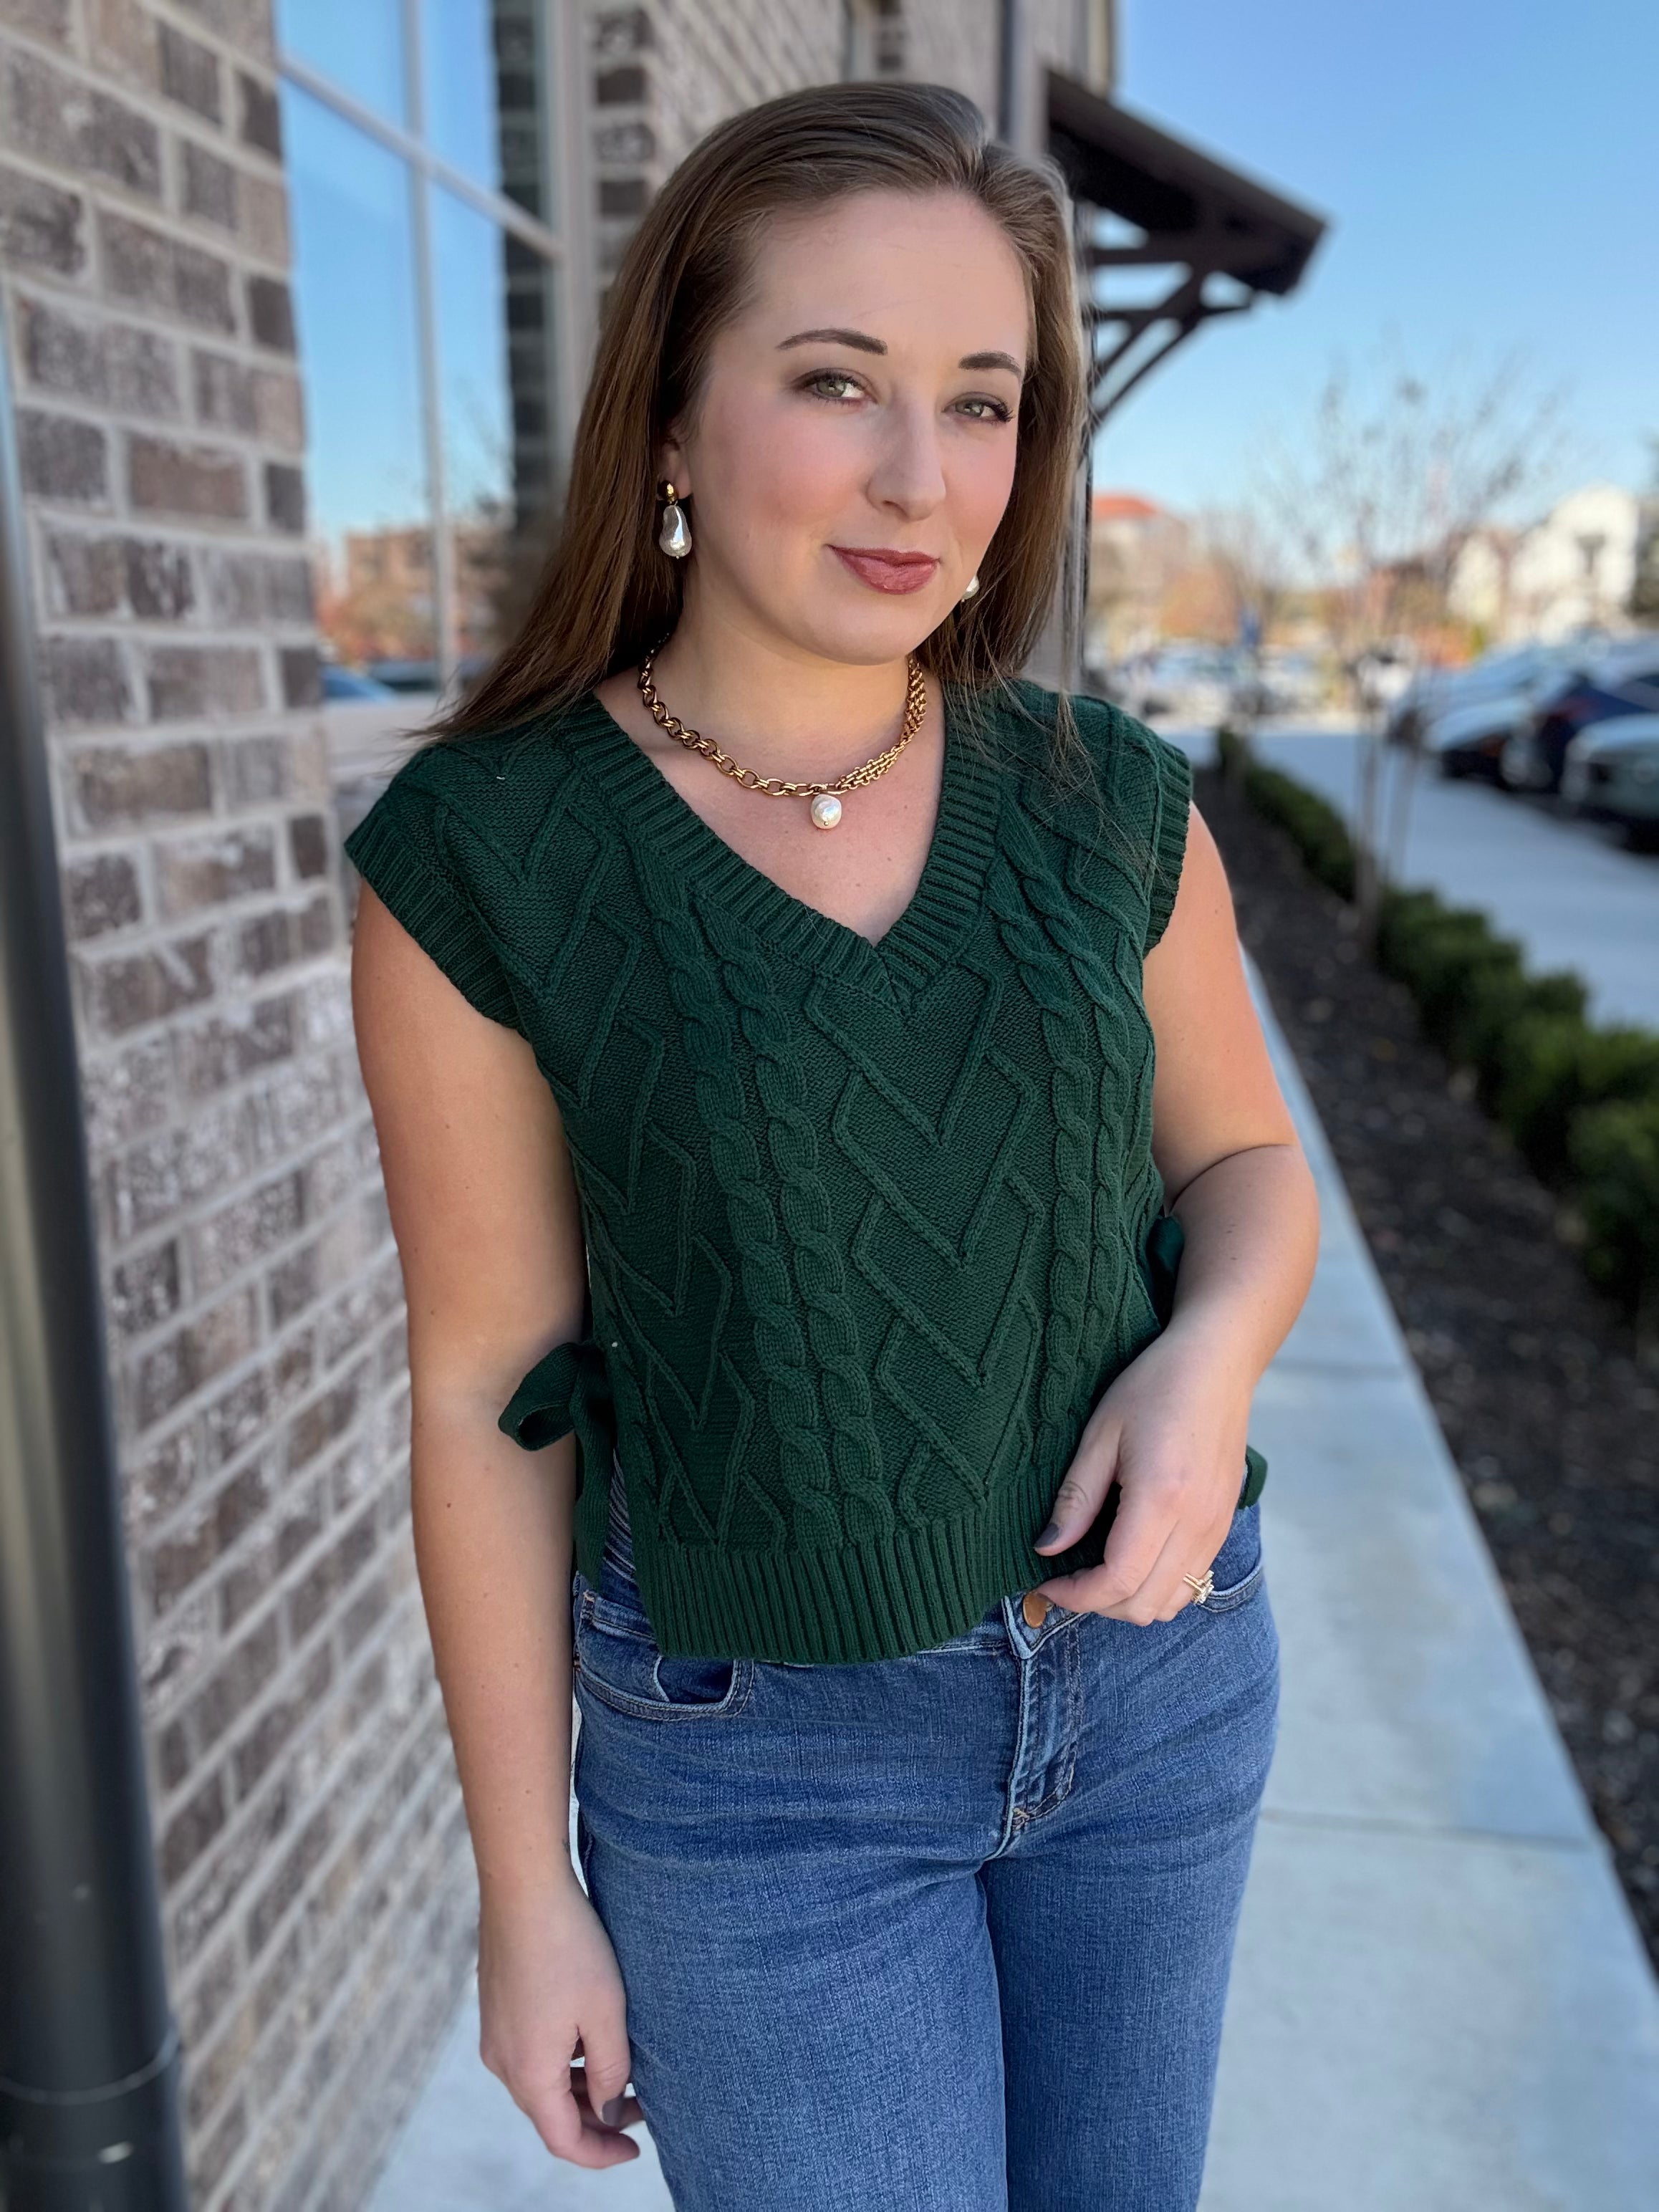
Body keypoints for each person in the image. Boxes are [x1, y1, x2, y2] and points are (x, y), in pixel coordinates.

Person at [345, 79, 1319, 2212]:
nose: (918, 477)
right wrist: (527, 1890)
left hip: (1160, 1691)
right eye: (833, 381)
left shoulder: (1100, 800)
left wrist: (1207, 1362)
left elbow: (1247, 1166)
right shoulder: (490, 854)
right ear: (672, 426)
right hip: (759, 1775)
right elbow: (480, 1383)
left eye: (981, 403)